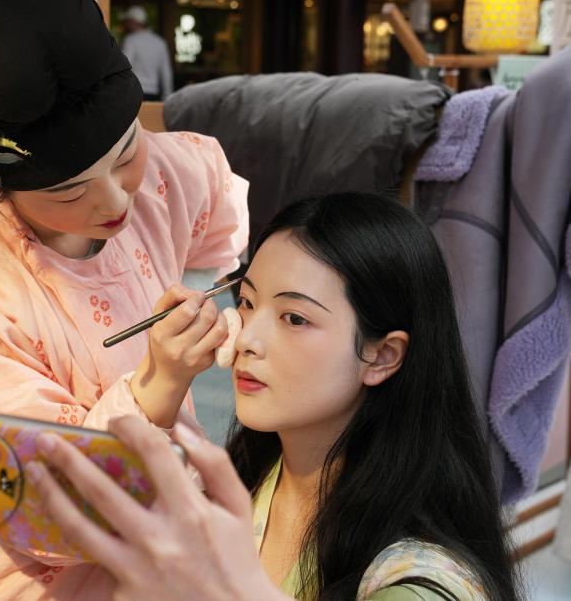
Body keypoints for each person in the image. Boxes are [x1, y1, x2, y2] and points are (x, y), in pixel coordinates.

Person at [0, 0, 249, 599]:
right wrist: (158, 387)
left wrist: (240, 303)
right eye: (68, 191)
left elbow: (223, 221)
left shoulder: (162, 174)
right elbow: (25, 505)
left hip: (173, 562)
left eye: (126, 155)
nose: (116, 202)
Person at [31, 192, 519, 600]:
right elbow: (69, 522)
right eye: (246, 302)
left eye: (294, 318)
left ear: (383, 355)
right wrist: (162, 377)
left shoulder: (419, 582)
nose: (246, 338)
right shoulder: (251, 481)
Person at [119, 5, 174, 101]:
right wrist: (167, 97)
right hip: (153, 94)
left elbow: (123, 68)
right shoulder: (160, 42)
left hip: (133, 93)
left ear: (133, 21)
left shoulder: (131, 40)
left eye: (127, 21)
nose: (125, 24)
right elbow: (166, 72)